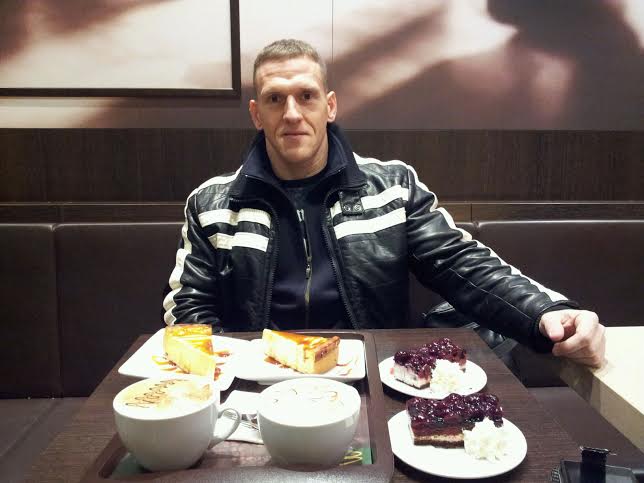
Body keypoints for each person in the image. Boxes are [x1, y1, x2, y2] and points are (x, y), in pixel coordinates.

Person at [163, 39, 605, 368]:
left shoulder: (392, 187)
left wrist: (546, 312)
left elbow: (461, 264)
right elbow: (189, 309)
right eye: (276, 99)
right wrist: (222, 379)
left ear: (330, 106)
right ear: (257, 114)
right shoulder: (211, 203)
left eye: (306, 96)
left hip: (372, 377)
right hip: (260, 381)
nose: (292, 113)